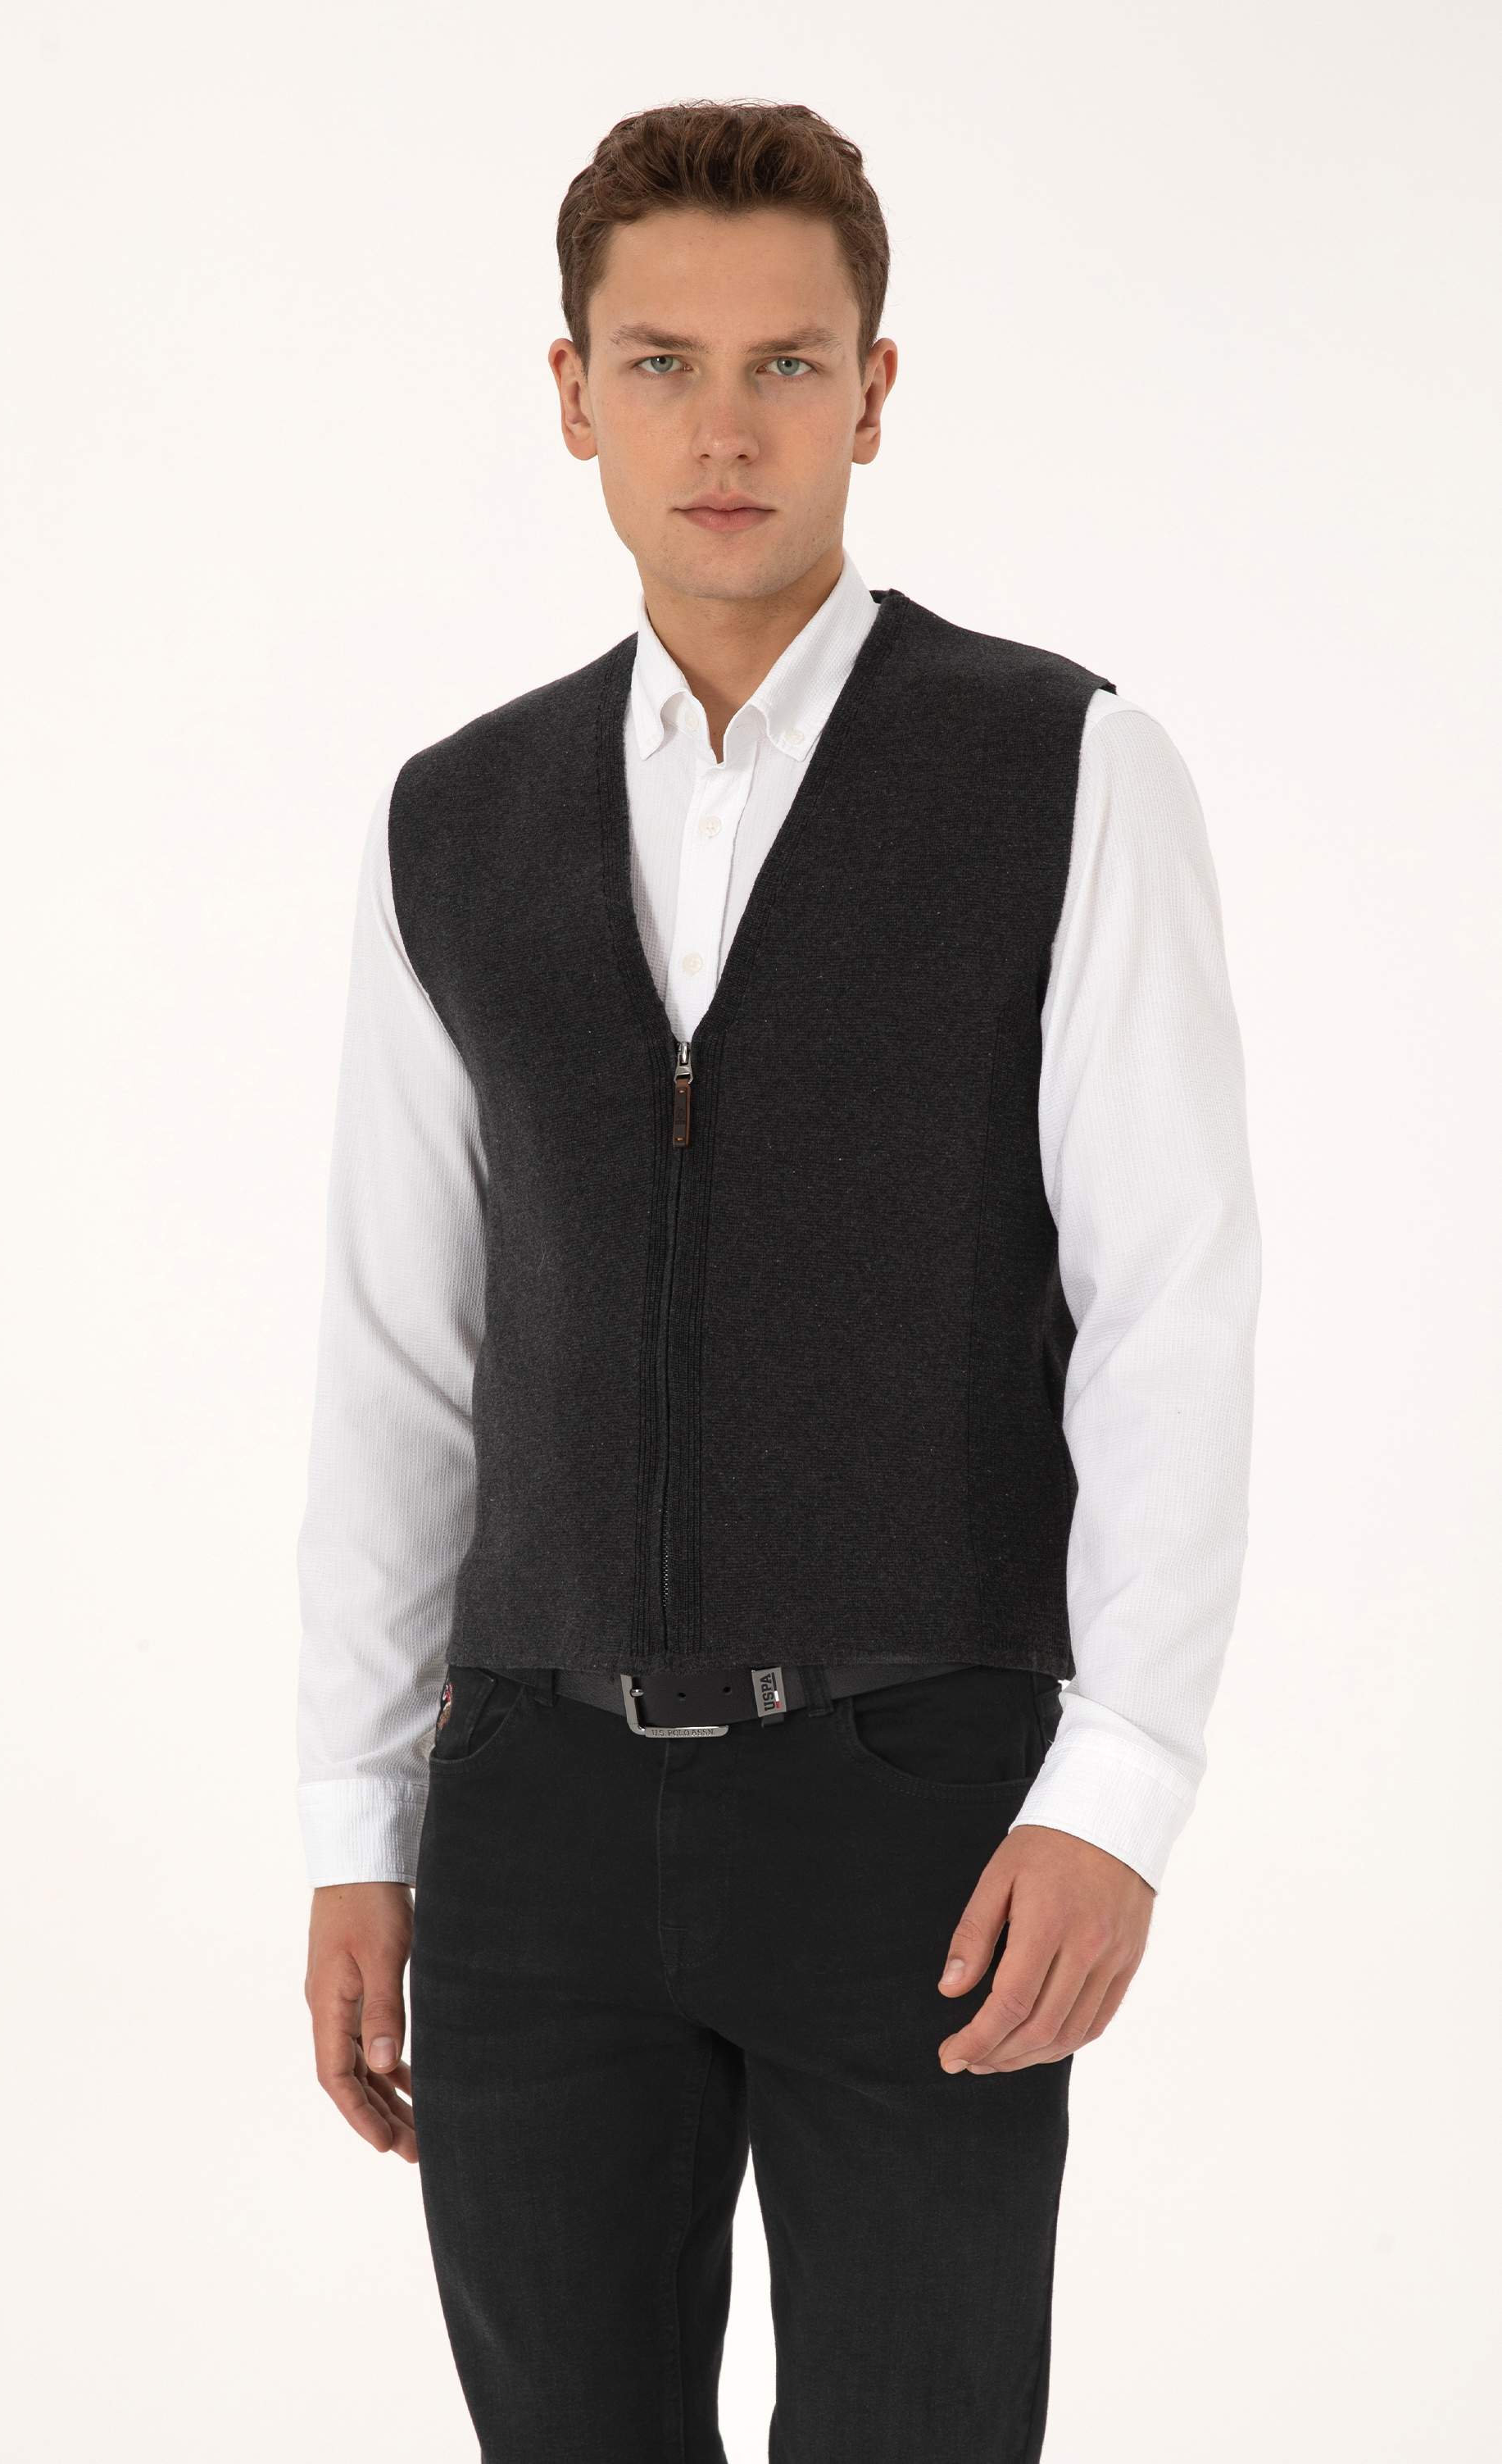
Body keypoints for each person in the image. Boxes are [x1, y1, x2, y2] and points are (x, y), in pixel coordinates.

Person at [295, 99, 1259, 2464]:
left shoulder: (1064, 769)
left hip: (917, 1798)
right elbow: (400, 1349)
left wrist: (1120, 1783)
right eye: (660, 363)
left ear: (872, 391)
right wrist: (355, 1818)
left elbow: (1171, 1297)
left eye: (784, 365)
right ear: (572, 393)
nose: (721, 428)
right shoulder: (455, 819)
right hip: (529, 1809)